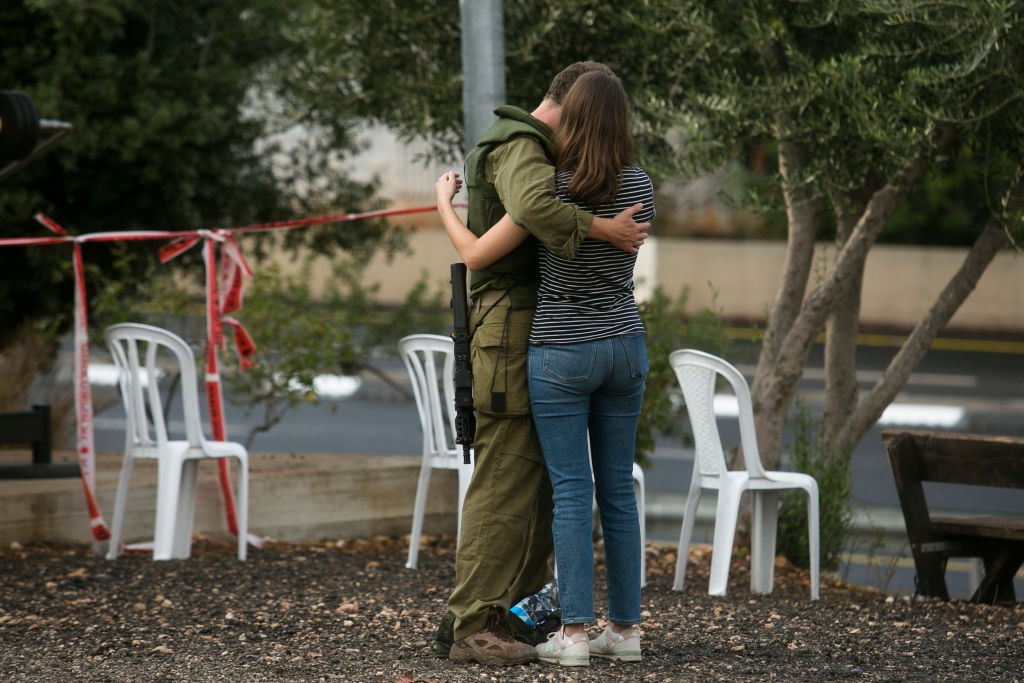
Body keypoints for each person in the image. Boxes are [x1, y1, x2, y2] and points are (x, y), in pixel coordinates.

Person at [435, 61, 651, 667]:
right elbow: (540, 211)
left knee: (562, 491)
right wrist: (607, 229)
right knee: (599, 492)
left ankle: (568, 631)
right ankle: (618, 629)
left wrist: (442, 207)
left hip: (557, 348)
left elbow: (480, 249)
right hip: (615, 342)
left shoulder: (556, 182)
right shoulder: (638, 184)